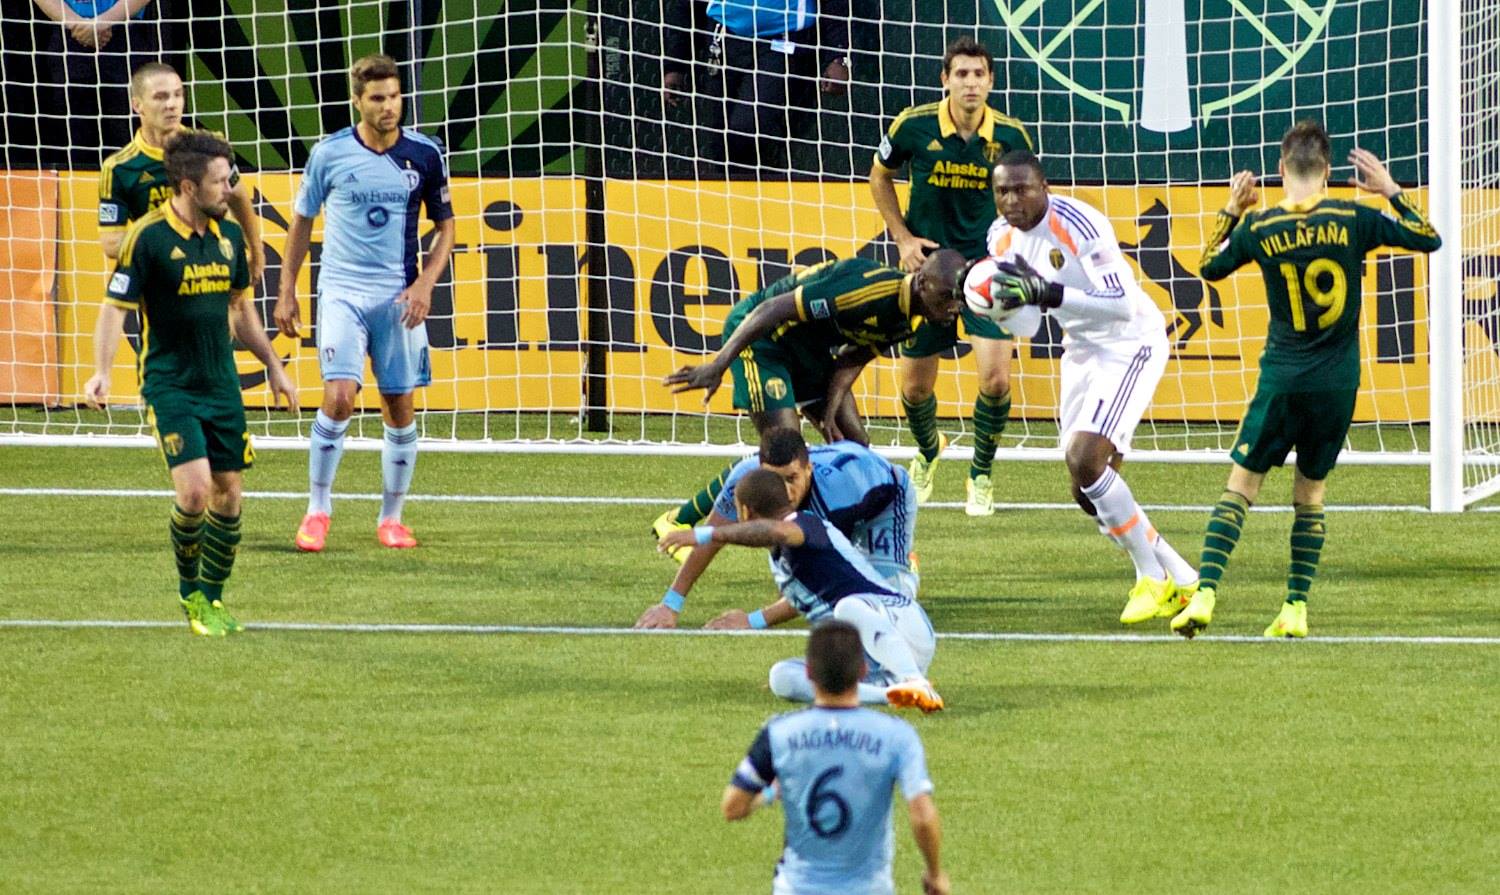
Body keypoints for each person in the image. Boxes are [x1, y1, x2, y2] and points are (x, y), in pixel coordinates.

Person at [1170, 123, 1442, 639]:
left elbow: (1208, 267)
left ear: (1279, 169)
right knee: (1310, 493)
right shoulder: (1355, 218)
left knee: (1242, 485)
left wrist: (1232, 209)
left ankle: (1204, 594)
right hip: (1337, 383)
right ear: (1329, 170)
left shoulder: (1261, 226)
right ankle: (1294, 606)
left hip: (1283, 376)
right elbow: (1429, 237)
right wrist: (1390, 190)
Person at [83, 130, 298, 636]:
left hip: (221, 384)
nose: (229, 190)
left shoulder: (229, 239)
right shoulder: (148, 238)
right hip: (170, 384)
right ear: (188, 185)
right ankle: (190, 594)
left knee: (229, 495)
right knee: (197, 492)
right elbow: (115, 308)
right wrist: (102, 371)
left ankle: (215, 597)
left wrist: (272, 363)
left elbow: (239, 310)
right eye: (219, 182)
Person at [974, 149, 1199, 624]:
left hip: (1131, 341)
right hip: (1081, 349)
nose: (1011, 200)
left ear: (1044, 188)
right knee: (1085, 488)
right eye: (1002, 191)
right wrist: (996, 305)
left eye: (1021, 189)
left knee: (1086, 459)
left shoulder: (1080, 223)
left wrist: (1046, 291)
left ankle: (1151, 577)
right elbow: (1029, 326)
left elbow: (1120, 303)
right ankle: (1182, 577)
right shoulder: (1000, 238)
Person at [651, 251, 968, 562]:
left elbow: (855, 356)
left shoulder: (915, 316)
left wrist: (829, 410)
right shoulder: (866, 291)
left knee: (854, 446)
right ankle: (678, 519)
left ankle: (850, 543)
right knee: (786, 452)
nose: (953, 307)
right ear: (922, 282)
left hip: (809, 349)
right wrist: (718, 364)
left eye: (958, 299)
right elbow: (771, 309)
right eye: (946, 296)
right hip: (765, 343)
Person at [274, 53, 456, 553]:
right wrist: (287, 288)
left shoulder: (424, 155)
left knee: (399, 405)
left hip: (397, 296)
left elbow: (446, 228)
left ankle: (391, 519)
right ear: (358, 101)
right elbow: (302, 221)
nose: (388, 106)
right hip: (342, 291)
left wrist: (425, 284)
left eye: (394, 96)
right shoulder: (329, 153)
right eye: (377, 98)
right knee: (338, 397)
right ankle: (317, 510)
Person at [870, 37, 1032, 517]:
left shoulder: (1011, 135)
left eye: (979, 74)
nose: (970, 83)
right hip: (928, 275)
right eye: (961, 74)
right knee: (915, 391)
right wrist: (902, 239)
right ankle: (928, 449)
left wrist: (1017, 247)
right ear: (945, 80)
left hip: (987, 271)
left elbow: (1030, 196)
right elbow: (879, 176)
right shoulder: (913, 125)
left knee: (996, 381)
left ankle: (980, 474)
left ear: (991, 82)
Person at [661, 468, 943, 713]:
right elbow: (802, 600)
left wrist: (707, 533)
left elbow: (780, 532)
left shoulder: (803, 523)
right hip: (869, 656)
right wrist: (752, 619)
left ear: (745, 512)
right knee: (782, 676)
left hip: (902, 625)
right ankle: (891, 694)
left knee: (848, 607)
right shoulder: (783, 556)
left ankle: (913, 679)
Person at [722, 620, 949, 894]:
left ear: (808, 672)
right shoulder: (896, 736)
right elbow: (922, 815)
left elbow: (733, 808)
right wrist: (935, 874)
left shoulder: (779, 733)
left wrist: (770, 794)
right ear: (863, 671)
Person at [635, 427, 918, 634]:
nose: (785, 491)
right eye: (774, 478)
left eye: (792, 478)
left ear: (809, 469)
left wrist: (753, 620)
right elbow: (713, 538)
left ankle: (905, 568)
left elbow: (824, 583)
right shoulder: (744, 479)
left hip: (885, 501)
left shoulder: (839, 494)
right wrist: (670, 605)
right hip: (836, 503)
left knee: (880, 609)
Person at [98, 62, 265, 284]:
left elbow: (237, 196)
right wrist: (168, 248)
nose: (172, 105)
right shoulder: (120, 168)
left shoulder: (211, 147)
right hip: (161, 281)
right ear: (137, 105)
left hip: (215, 267)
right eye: (160, 97)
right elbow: (111, 242)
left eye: (177, 95)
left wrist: (256, 250)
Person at [660, 0, 849, 175]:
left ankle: (766, 192)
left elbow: (837, 5)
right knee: (719, 141)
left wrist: (839, 56)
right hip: (723, 40)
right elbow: (685, 6)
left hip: (782, 44)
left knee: (750, 131)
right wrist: (675, 64)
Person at [32, 0, 163, 165]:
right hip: (68, 36)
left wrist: (103, 22)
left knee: (126, 126)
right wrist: (75, 23)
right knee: (74, 133)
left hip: (125, 33)